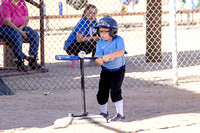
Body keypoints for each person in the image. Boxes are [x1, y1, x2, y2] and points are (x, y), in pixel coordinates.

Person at [94, 17, 126, 122]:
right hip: (106, 71)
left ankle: (120, 114)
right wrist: (99, 61)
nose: (101, 34)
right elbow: (98, 59)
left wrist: (109, 56)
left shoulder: (119, 40)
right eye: (100, 31)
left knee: (115, 91)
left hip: (118, 70)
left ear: (112, 31)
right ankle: (104, 113)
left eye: (105, 32)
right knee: (102, 93)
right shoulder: (100, 43)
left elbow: (121, 52)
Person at [0, 0, 41, 71]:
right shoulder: (5, 3)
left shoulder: (22, 2)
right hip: (5, 28)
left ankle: (32, 59)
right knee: (16, 35)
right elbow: (7, 21)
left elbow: (27, 18)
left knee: (35, 35)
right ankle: (19, 61)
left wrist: (21, 28)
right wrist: (20, 32)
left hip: (20, 26)